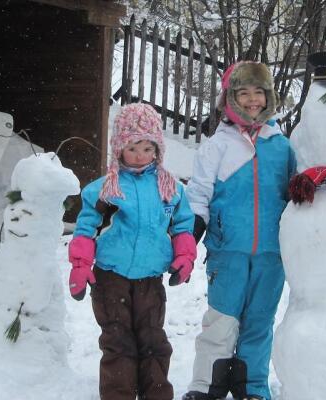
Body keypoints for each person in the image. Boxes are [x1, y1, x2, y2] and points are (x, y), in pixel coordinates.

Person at [183, 61, 297, 400]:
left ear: (269, 97)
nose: (252, 100)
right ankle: (207, 385)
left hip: (271, 253)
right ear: (229, 99)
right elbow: (199, 196)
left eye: (258, 92)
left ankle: (251, 386)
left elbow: (294, 194)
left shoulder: (282, 146)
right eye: (243, 93)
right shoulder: (217, 145)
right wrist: (189, 238)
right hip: (227, 249)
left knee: (259, 321)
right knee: (221, 319)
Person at [68, 102, 197, 400]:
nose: (140, 156)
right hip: (111, 277)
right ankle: (119, 394)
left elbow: (182, 226)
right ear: (119, 148)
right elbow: (87, 228)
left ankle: (156, 394)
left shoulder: (170, 189)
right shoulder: (105, 189)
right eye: (133, 147)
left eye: (147, 148)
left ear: (158, 150)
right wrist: (79, 264)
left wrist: (184, 257)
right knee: (118, 340)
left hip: (150, 278)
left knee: (153, 339)